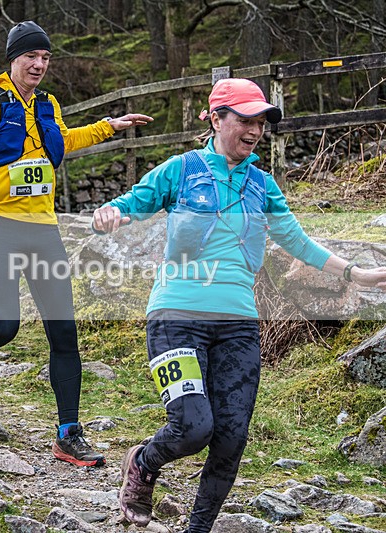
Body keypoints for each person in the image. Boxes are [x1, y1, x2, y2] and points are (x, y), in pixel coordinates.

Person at [91, 78, 386, 532]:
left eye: (261, 122)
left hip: (239, 325)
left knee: (231, 437)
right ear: (216, 118)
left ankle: (199, 529)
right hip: (175, 318)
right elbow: (133, 203)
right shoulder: (182, 170)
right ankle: (143, 464)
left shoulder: (262, 185)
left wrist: (355, 273)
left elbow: (297, 241)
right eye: (244, 120)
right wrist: (109, 213)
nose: (254, 130)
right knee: (193, 427)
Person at [0, 20, 153, 468]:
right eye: (32, 57)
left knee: (64, 333)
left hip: (43, 229)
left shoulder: (47, 104)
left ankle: (68, 434)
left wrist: (109, 126)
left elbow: (61, 142)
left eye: (46, 58)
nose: (40, 65)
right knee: (4, 326)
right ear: (14, 59)